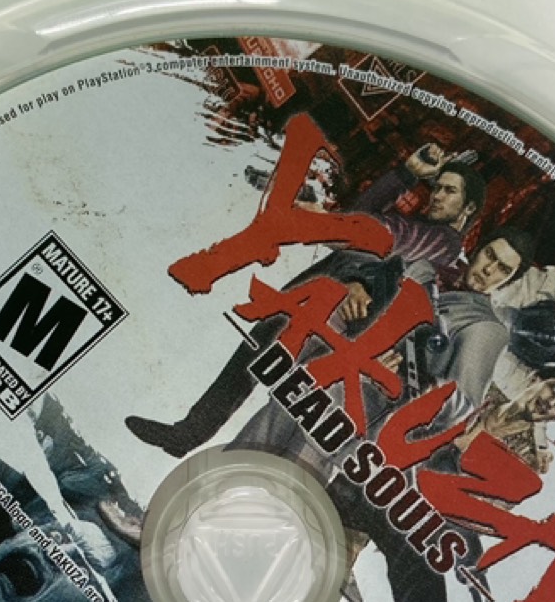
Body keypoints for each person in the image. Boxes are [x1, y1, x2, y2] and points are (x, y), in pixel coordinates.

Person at [125, 144, 487, 459]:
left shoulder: (444, 243)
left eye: (449, 191)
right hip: (323, 306)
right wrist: (406, 174)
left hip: (342, 324)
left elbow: (372, 236)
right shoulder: (424, 232)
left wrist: (358, 277)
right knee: (261, 366)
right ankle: (193, 436)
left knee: (283, 395)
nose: (437, 196)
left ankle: (202, 443)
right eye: (437, 187)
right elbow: (356, 221)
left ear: (468, 208)